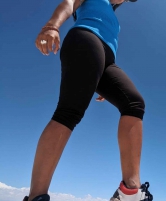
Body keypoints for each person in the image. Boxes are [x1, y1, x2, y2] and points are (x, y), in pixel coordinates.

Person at [22, 0, 152, 201]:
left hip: (106, 61)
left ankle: (130, 192)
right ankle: (36, 196)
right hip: (85, 38)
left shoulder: (112, 14)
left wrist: (101, 82)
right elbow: (68, 3)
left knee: (134, 103)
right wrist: (52, 26)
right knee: (69, 111)